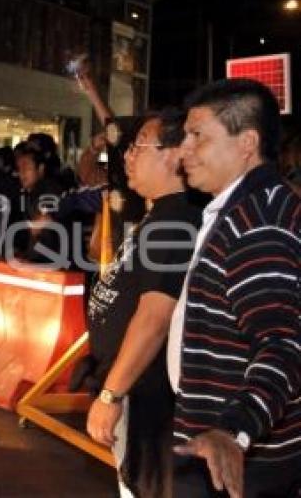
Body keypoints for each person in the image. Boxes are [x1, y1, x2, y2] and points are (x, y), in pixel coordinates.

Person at [169, 78, 301, 497]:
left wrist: (235, 430)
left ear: (246, 142)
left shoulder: (258, 221)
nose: (183, 150)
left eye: (197, 137)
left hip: (236, 462)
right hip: (221, 446)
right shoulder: (245, 207)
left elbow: (283, 342)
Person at [84, 109, 202, 497]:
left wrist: (111, 394)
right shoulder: (158, 216)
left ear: (173, 154)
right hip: (131, 385)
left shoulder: (175, 220)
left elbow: (155, 316)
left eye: (137, 147)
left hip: (144, 392)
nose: (127, 157)